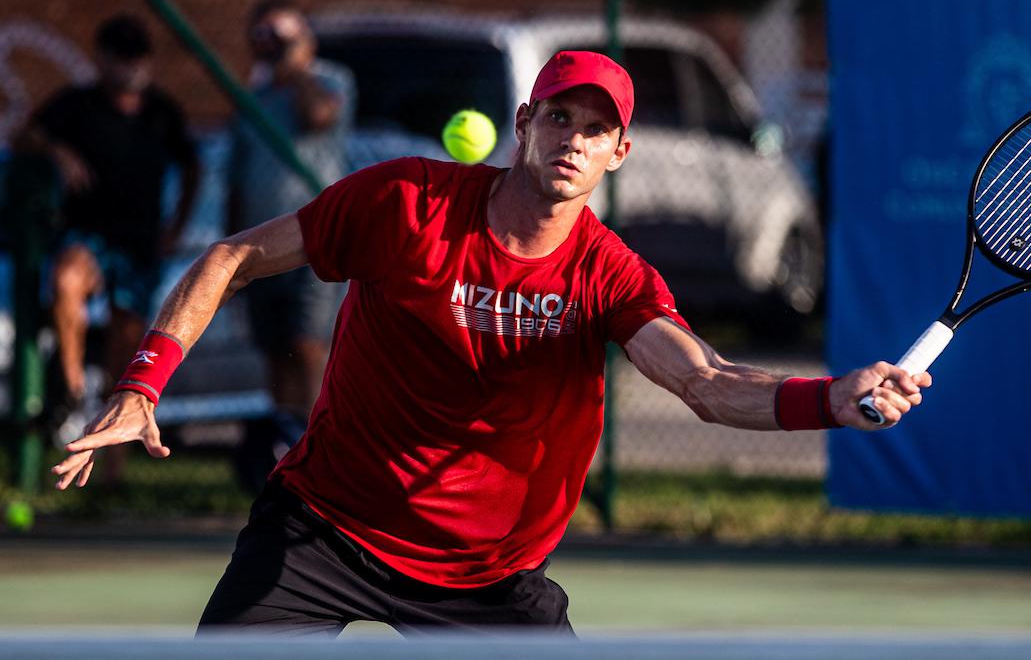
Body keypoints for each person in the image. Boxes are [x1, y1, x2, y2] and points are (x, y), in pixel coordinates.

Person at [51, 50, 929, 635]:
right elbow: (234, 255)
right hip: (323, 529)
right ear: (524, 122)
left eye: (595, 129)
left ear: (620, 151)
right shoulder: (404, 205)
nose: (573, 139)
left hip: (489, 578)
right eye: (559, 118)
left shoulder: (610, 276)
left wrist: (833, 399)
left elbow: (706, 380)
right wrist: (140, 389)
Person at [14, 13, 199, 446]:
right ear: (102, 60)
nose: (131, 68)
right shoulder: (77, 105)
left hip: (139, 241)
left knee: (128, 339)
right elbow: (26, 136)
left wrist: (176, 227)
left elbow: (192, 167)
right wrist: (59, 152)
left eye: (138, 59)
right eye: (121, 59)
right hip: (89, 233)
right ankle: (74, 392)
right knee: (66, 278)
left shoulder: (162, 111)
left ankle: (112, 462)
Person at [226, 0, 355, 491]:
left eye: (283, 36)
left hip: (312, 243)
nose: (273, 47)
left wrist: (296, 64)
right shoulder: (252, 102)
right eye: (265, 37)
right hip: (260, 247)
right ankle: (284, 451)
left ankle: (322, 448)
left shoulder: (330, 83)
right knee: (275, 350)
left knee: (307, 344)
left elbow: (320, 116)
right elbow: (237, 179)